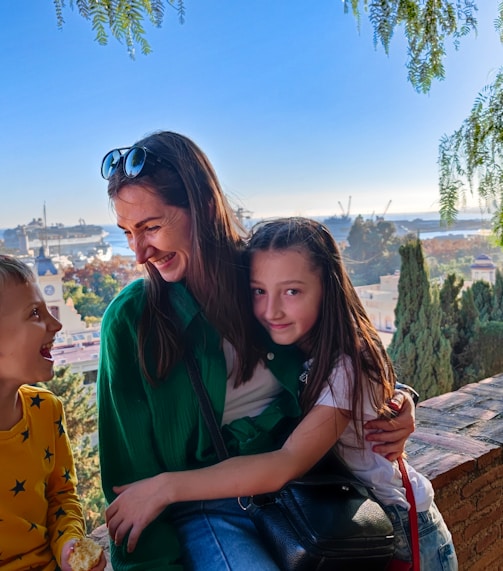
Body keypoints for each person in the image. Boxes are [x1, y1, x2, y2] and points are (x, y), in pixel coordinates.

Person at [97, 131, 416, 570]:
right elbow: (130, 485)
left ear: (204, 208)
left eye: (151, 227)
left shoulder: (265, 281)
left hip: (303, 490)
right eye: (127, 233)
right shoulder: (131, 322)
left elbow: (340, 342)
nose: (139, 253)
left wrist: (396, 398)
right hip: (201, 507)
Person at [0, 255, 106, 571]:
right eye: (35, 313)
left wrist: (68, 542)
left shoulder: (46, 409)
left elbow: (61, 498)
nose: (56, 325)